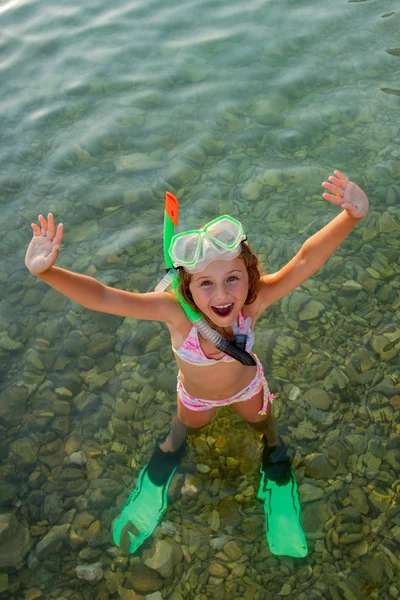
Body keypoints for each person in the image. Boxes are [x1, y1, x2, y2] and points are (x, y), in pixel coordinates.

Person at [25, 170, 369, 556]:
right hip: (195, 398)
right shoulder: (173, 312)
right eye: (206, 283)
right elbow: (104, 297)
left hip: (247, 388)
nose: (223, 295)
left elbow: (306, 258)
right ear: (186, 287)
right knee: (177, 436)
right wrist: (48, 272)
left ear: (249, 276)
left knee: (266, 425)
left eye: (233, 278)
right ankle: (155, 486)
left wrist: (351, 216)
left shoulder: (253, 303)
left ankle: (276, 475)